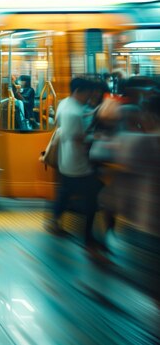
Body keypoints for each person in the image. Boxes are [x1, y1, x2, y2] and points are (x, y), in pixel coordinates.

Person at [46, 78, 104, 251]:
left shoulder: (64, 104)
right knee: (92, 201)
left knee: (65, 192)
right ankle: (88, 238)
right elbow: (81, 138)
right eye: (88, 93)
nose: (90, 96)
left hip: (66, 160)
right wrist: (96, 138)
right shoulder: (76, 112)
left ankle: (54, 222)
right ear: (79, 91)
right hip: (79, 164)